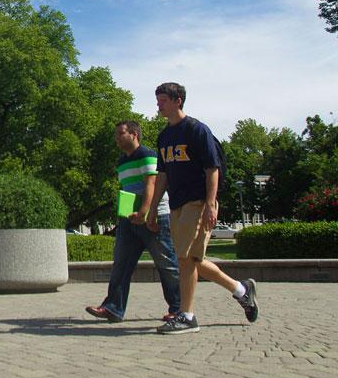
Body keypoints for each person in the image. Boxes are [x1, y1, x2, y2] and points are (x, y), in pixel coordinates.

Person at [147, 82, 258, 335]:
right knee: (192, 259)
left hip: (197, 201)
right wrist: (153, 209)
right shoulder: (164, 136)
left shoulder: (197, 130)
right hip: (176, 203)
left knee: (186, 259)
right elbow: (162, 175)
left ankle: (187, 316)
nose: (159, 104)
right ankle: (241, 290)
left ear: (178, 101)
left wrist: (210, 204)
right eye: (158, 100)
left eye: (163, 100)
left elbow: (212, 169)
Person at [84, 120, 181, 323]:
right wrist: (125, 213)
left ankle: (178, 308)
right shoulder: (121, 162)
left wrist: (145, 213)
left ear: (134, 134)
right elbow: (128, 190)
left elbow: (151, 184)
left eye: (121, 133)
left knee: (166, 264)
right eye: (116, 135)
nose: (117, 138)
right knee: (121, 264)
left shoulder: (147, 154)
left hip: (153, 217)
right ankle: (113, 308)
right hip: (129, 220)